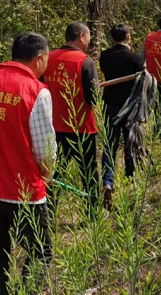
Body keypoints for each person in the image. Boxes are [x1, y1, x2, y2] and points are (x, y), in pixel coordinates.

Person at [0, 32, 56, 294]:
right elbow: (45, 150)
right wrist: (46, 175)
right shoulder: (36, 92)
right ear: (39, 58)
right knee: (41, 251)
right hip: (23, 192)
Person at [43, 22, 99, 213]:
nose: (89, 41)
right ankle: (92, 214)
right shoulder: (85, 61)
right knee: (89, 173)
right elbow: (94, 97)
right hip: (81, 128)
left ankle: (49, 214)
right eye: (89, 37)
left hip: (53, 128)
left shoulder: (47, 59)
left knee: (54, 174)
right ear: (82, 37)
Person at [98, 23, 144, 208]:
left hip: (110, 105)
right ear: (129, 37)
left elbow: (105, 74)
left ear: (112, 38)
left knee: (109, 145)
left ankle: (108, 181)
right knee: (130, 143)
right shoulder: (135, 58)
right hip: (130, 108)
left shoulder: (105, 56)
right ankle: (130, 179)